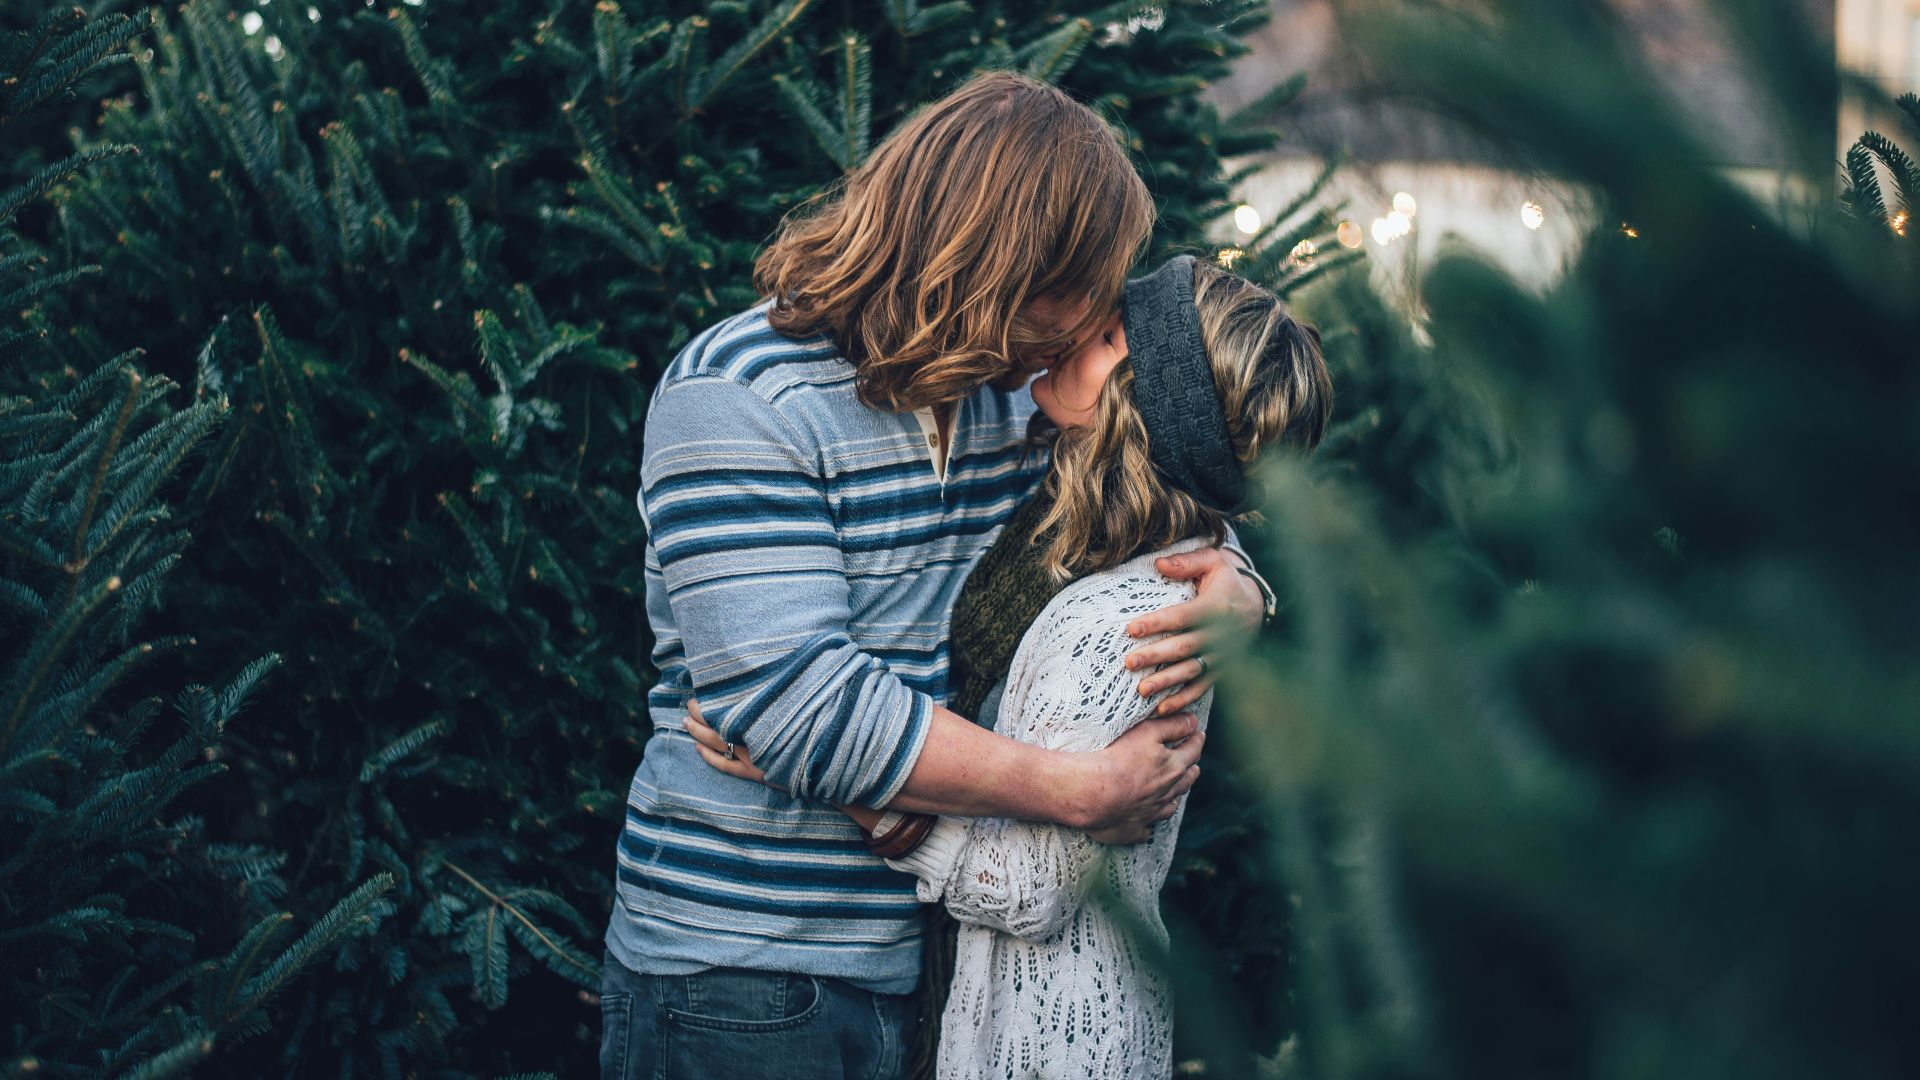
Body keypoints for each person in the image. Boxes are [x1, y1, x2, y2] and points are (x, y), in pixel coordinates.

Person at [598, 72, 1275, 1080]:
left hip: (934, 958)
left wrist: (1240, 586)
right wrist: (1072, 791)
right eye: (1074, 290)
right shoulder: (740, 396)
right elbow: (796, 704)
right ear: (991, 264)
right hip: (748, 973)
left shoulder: (1011, 400)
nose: (1086, 320)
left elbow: (1159, 473)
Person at [692, 255, 1333, 1078]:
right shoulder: (1072, 516)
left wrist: (807, 767)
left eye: (1106, 335)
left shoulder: (1128, 625)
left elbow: (1029, 891)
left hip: (1053, 1039)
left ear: (1144, 407)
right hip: (987, 1011)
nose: (1073, 330)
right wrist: (1245, 579)